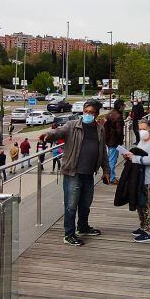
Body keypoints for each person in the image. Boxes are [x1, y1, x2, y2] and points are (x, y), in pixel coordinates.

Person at [39, 100, 111, 246]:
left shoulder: (100, 129)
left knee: (85, 204)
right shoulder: (72, 126)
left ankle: (83, 227)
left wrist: (106, 170)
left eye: (92, 112)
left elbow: (102, 152)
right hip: (73, 172)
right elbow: (58, 132)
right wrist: (48, 134)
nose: (88, 114)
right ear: (83, 111)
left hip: (89, 173)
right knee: (71, 205)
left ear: (97, 114)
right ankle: (69, 234)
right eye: (86, 111)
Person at [118, 119, 150, 243]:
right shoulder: (142, 141)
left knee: (146, 204)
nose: (141, 131)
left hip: (148, 179)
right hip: (138, 178)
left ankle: (149, 231)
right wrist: (128, 155)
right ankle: (143, 226)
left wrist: (135, 158)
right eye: (140, 129)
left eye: (144, 129)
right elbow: (136, 153)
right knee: (139, 203)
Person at [103, 99, 126, 184]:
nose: (124, 107)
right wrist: (120, 141)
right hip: (115, 141)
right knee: (112, 160)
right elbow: (119, 131)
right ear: (120, 106)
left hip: (109, 140)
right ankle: (111, 177)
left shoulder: (110, 113)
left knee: (110, 158)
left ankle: (108, 175)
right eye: (123, 105)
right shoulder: (118, 117)